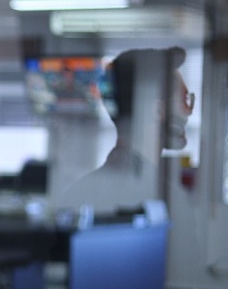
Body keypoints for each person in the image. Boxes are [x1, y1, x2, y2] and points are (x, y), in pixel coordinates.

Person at [60, 46, 194, 213]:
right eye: (184, 100)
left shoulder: (78, 194)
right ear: (157, 109)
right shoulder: (169, 201)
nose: (189, 111)